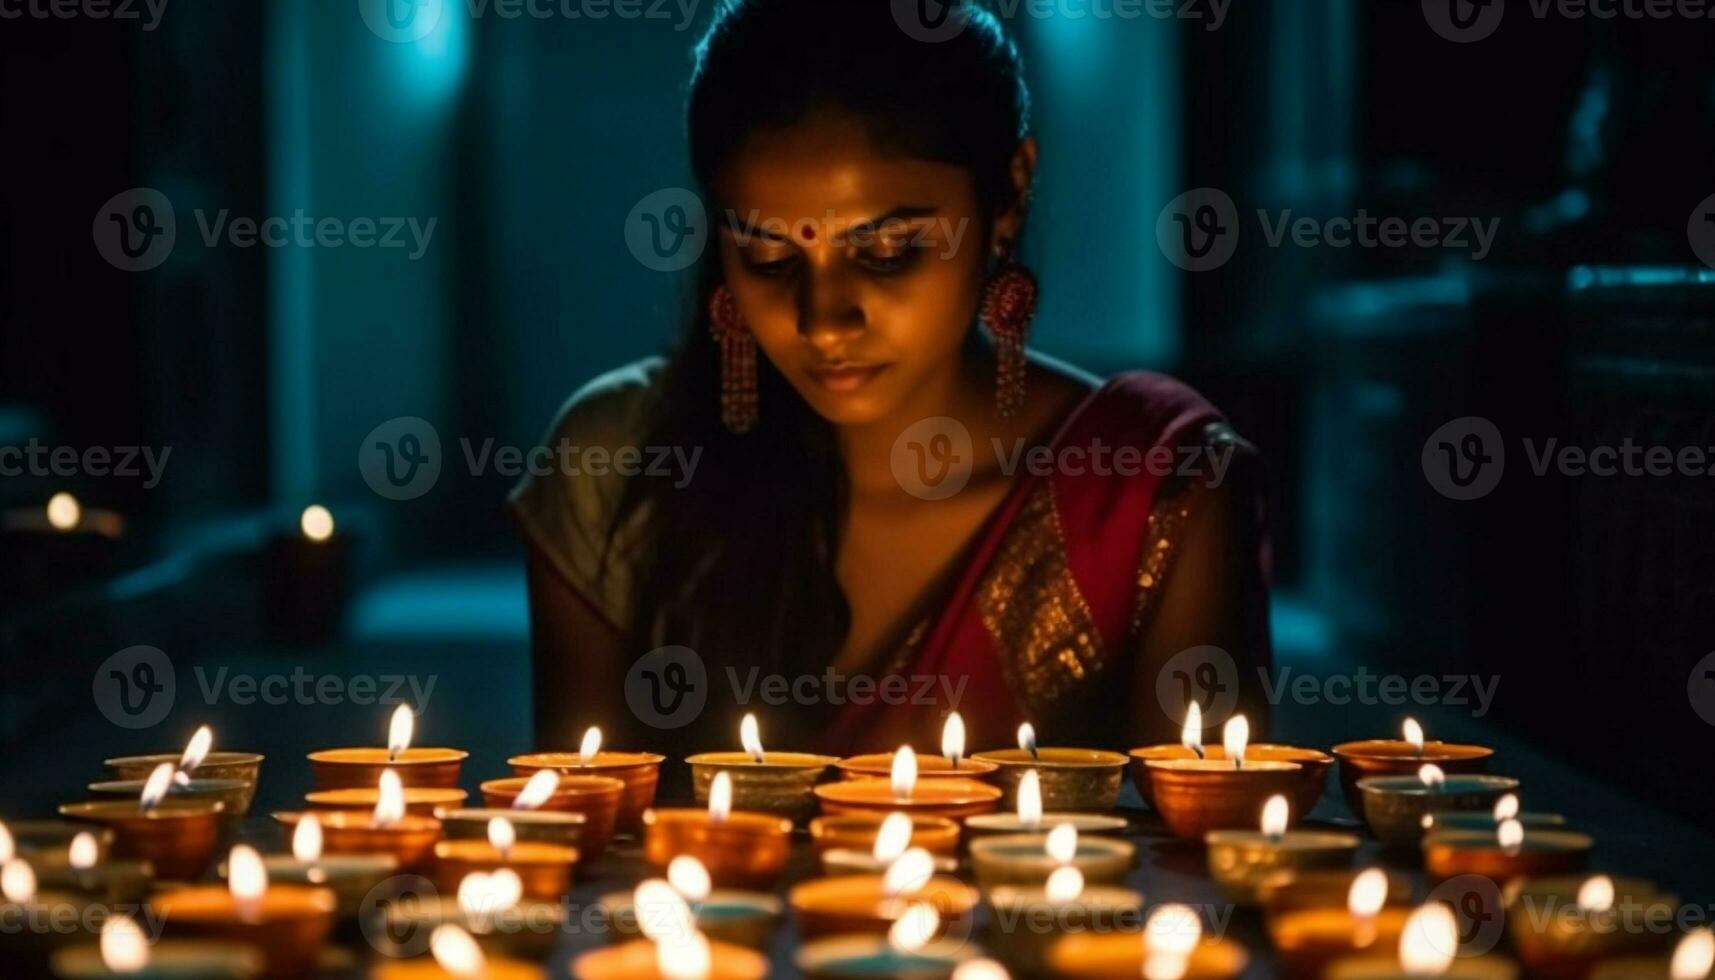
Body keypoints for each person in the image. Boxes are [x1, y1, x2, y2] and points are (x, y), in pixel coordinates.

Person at [511, 0, 1271, 768]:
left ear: (1007, 195)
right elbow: (575, 841)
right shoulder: (617, 463)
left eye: (886, 250)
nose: (823, 321)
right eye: (769, 258)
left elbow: (1200, 863)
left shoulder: (1154, 489)